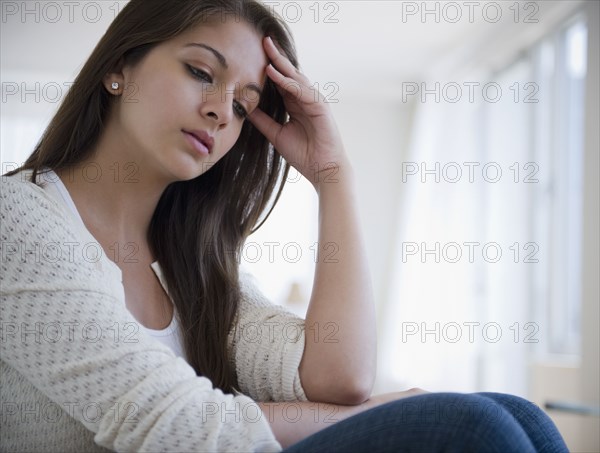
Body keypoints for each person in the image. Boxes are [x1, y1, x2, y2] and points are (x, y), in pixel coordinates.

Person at [0, 0, 569, 451]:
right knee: (469, 429)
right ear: (119, 68)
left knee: (513, 413)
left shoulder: (189, 264)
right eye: (201, 72)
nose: (223, 111)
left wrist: (332, 176)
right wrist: (380, 414)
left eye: (246, 107)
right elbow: (171, 424)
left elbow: (339, 377)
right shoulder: (18, 217)